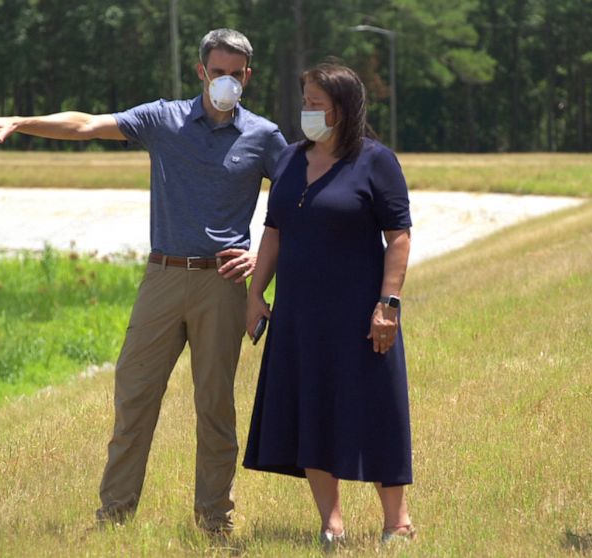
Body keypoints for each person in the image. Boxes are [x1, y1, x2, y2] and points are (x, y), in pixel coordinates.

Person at [0, 28, 287, 534]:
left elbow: (295, 204)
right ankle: (113, 518)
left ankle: (215, 522)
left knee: (215, 407)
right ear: (201, 71)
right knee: (134, 397)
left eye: (235, 74)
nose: (226, 81)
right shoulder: (163, 119)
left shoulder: (263, 135)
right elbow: (86, 124)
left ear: (248, 77)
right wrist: (22, 121)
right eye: (217, 72)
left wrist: (260, 262)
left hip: (220, 284)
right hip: (163, 275)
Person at [242, 62, 415, 547]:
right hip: (299, 313)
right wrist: (256, 294)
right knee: (311, 408)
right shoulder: (291, 160)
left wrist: (388, 304)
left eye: (316, 103)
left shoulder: (376, 161)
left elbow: (398, 236)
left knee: (377, 409)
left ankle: (397, 523)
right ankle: (331, 524)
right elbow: (273, 231)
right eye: (305, 102)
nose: (308, 111)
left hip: (360, 312)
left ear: (343, 107)